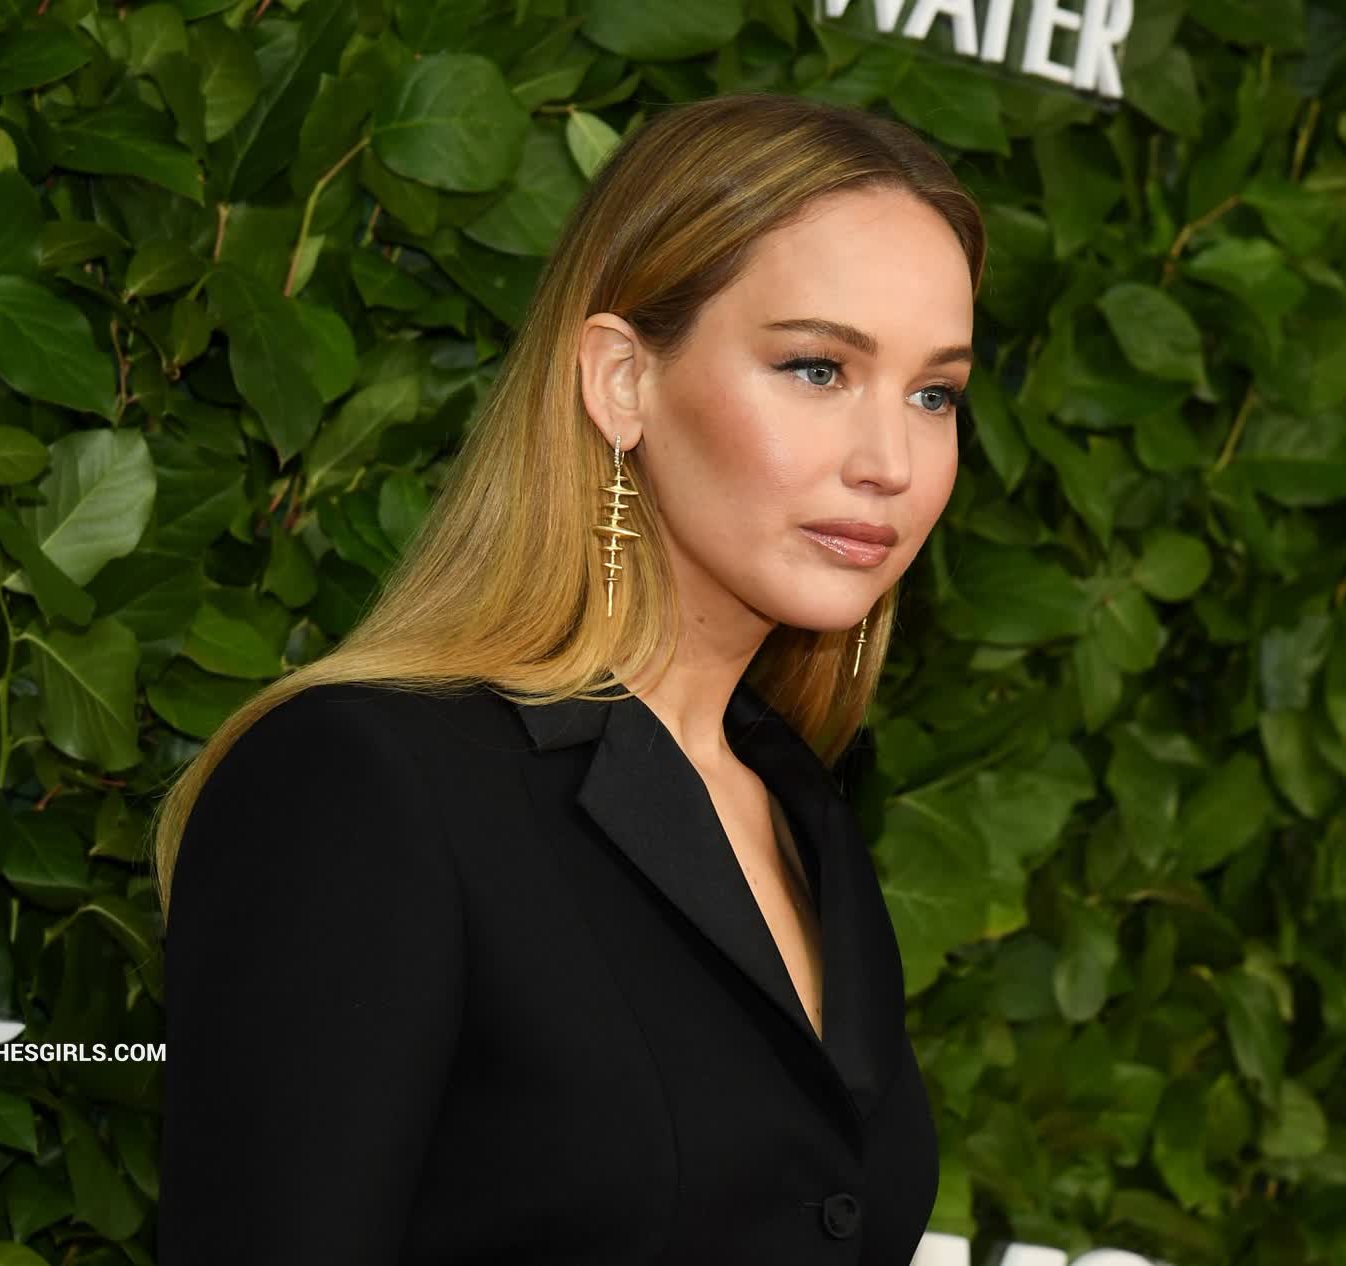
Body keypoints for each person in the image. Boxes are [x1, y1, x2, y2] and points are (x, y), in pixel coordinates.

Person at [151, 89, 983, 1264]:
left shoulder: (805, 811)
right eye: (815, 368)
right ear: (621, 380)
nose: (890, 461)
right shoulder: (365, 779)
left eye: (933, 394)